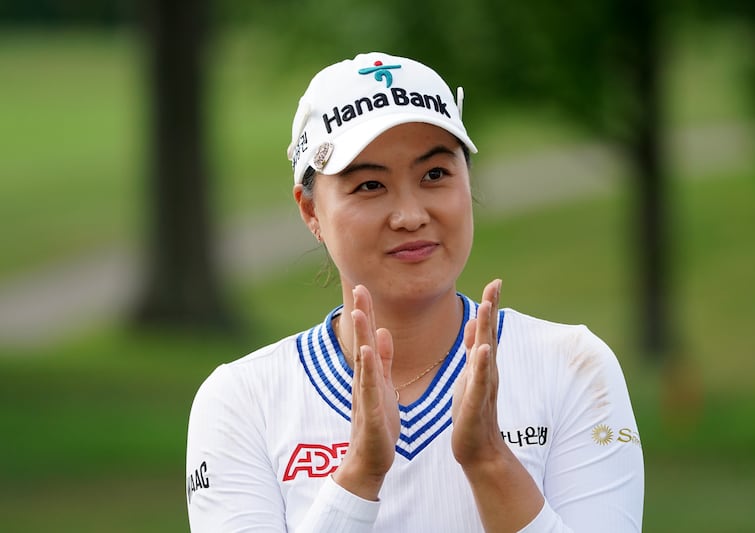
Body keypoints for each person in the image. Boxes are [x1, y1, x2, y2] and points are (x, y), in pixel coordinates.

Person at [185, 52, 644, 532]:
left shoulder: (571, 366)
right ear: (311, 211)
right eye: (369, 184)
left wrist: (490, 461)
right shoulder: (243, 401)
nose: (410, 215)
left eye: (435, 175)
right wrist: (359, 475)